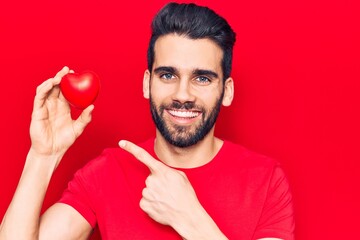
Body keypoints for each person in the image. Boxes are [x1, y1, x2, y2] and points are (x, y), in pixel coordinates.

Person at [0, 2, 294, 240]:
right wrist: (43, 155)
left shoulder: (266, 180)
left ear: (226, 91)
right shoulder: (106, 173)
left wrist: (190, 219)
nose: (183, 94)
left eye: (202, 78)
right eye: (168, 75)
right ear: (146, 84)